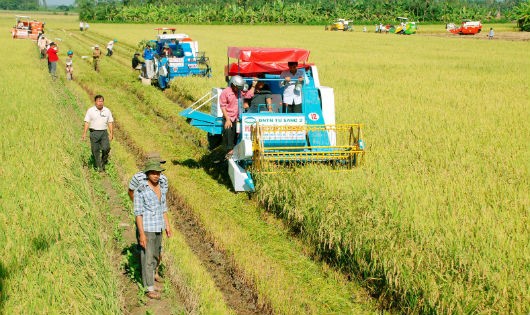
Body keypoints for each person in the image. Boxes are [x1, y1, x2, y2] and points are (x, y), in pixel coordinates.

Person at [134, 160, 172, 300]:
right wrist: (142, 234)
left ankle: (152, 282)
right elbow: (138, 214)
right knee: (147, 258)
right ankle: (149, 288)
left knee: (156, 255)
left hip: (158, 227)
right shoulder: (141, 189)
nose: (156, 176)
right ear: (148, 174)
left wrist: (167, 225)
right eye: (154, 173)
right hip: (148, 228)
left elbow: (163, 209)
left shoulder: (161, 188)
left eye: (158, 173)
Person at [128, 152, 168, 283]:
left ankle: (153, 272)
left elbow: (162, 201)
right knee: (145, 247)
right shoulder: (138, 178)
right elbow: (131, 191)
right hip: (145, 220)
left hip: (157, 221)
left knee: (157, 249)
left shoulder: (163, 180)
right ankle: (147, 276)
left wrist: (166, 223)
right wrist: (141, 206)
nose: (158, 171)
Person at [220, 75, 254, 159]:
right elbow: (223, 106)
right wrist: (227, 119)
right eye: (238, 87)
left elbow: (249, 95)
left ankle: (236, 151)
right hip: (228, 116)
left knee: (236, 134)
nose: (239, 89)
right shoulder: (225, 92)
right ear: (233, 85)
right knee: (228, 131)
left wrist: (253, 85)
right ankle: (229, 151)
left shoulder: (239, 92)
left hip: (237, 117)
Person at [82, 95, 114, 172]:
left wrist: (111, 133)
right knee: (95, 150)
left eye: (101, 101)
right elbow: (87, 122)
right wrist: (84, 133)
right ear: (95, 102)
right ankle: (99, 167)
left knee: (106, 148)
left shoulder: (107, 111)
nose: (100, 103)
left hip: (103, 133)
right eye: (99, 101)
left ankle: (103, 162)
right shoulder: (90, 111)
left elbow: (110, 122)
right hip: (94, 133)